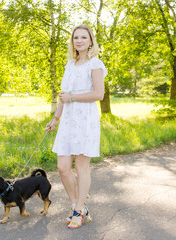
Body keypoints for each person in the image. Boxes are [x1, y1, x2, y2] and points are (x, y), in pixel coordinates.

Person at [45, 24, 107, 229]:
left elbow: (99, 94)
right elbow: (64, 95)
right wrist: (55, 118)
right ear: (72, 42)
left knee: (81, 167)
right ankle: (77, 205)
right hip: (68, 120)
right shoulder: (69, 65)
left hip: (85, 121)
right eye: (75, 38)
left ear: (91, 41)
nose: (79, 41)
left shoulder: (95, 64)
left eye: (83, 37)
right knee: (63, 167)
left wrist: (72, 97)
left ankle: (78, 210)